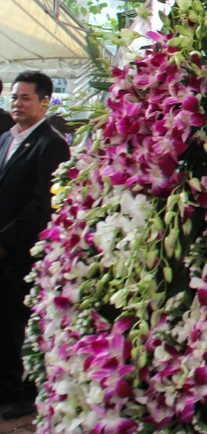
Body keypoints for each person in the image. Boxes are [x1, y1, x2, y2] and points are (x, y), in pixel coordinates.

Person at [0, 71, 71, 419]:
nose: (17, 103)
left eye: (25, 97)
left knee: (16, 324)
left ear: (45, 102)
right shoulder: (6, 139)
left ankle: (23, 393)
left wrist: (5, 241)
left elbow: (43, 204)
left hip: (22, 252)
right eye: (14, 97)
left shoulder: (51, 143)